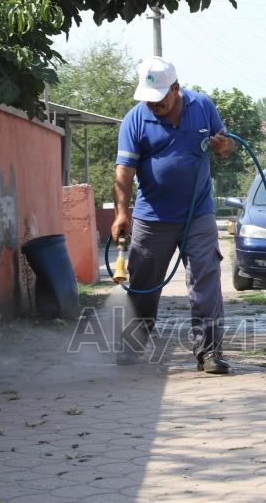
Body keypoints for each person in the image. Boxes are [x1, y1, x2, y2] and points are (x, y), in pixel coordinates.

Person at [111, 56, 235, 374]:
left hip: (199, 213)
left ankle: (209, 352)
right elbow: (124, 172)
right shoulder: (135, 120)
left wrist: (222, 146)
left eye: (159, 99)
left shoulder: (203, 106)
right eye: (147, 99)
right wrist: (122, 213)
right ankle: (134, 343)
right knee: (143, 284)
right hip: (152, 218)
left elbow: (226, 148)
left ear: (176, 88)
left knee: (206, 281)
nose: (153, 105)